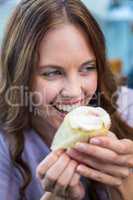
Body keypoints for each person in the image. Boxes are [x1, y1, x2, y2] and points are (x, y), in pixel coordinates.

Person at [0, 0, 133, 200]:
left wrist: (124, 182)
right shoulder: (4, 143)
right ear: (21, 75)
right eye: (53, 73)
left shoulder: (127, 109)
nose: (74, 92)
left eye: (88, 68)